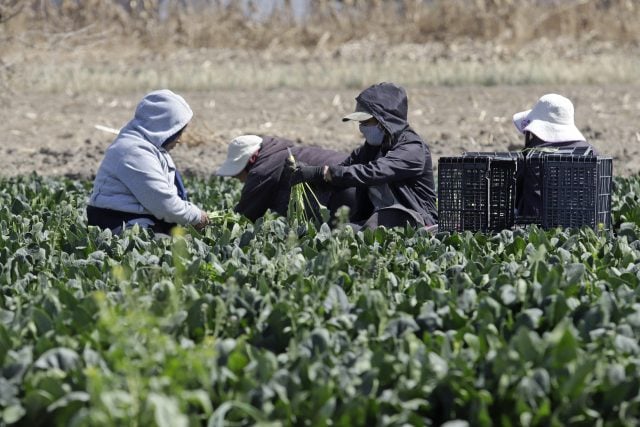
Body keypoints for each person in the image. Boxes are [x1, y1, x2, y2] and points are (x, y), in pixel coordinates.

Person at [289, 82, 437, 230]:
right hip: (377, 218)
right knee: (336, 233)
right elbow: (341, 176)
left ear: (385, 121)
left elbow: (375, 171)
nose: (361, 128)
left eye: (366, 122)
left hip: (416, 219)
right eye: (360, 122)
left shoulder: (412, 149)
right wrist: (309, 173)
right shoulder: (369, 150)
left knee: (373, 224)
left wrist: (326, 172)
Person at [87, 89, 209, 234]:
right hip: (122, 224)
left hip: (141, 221)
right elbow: (164, 204)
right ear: (164, 127)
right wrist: (197, 216)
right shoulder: (133, 152)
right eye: (178, 132)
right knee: (176, 251)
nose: (180, 139)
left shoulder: (150, 146)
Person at [216, 135, 356, 222]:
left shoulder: (262, 171)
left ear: (251, 159)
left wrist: (209, 221)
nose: (236, 178)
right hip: (359, 176)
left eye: (237, 173)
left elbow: (243, 216)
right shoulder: (280, 152)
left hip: (344, 192)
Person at [512, 93, 598, 217]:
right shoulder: (592, 154)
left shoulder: (531, 155)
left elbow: (516, 194)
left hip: (534, 228)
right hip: (584, 224)